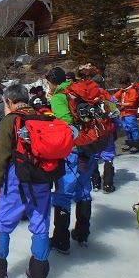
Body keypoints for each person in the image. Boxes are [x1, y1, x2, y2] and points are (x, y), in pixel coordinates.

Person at [0, 83, 54, 278]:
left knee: (2, 225)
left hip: (17, 179)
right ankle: (39, 274)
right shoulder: (43, 116)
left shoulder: (11, 121)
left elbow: (1, 156)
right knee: (40, 224)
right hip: (43, 179)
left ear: (9, 102)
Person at [47, 66, 111, 252]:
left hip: (72, 150)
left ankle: (61, 240)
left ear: (53, 81)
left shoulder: (60, 97)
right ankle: (82, 234)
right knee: (84, 189)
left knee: (63, 193)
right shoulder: (82, 91)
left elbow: (65, 125)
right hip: (89, 147)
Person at [113, 76, 139, 154]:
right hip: (123, 113)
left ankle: (136, 144)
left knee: (132, 129)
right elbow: (114, 97)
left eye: (122, 84)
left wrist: (121, 103)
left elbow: (131, 103)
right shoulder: (123, 90)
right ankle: (130, 143)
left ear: (126, 83)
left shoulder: (132, 90)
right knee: (126, 129)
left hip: (130, 113)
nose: (121, 86)